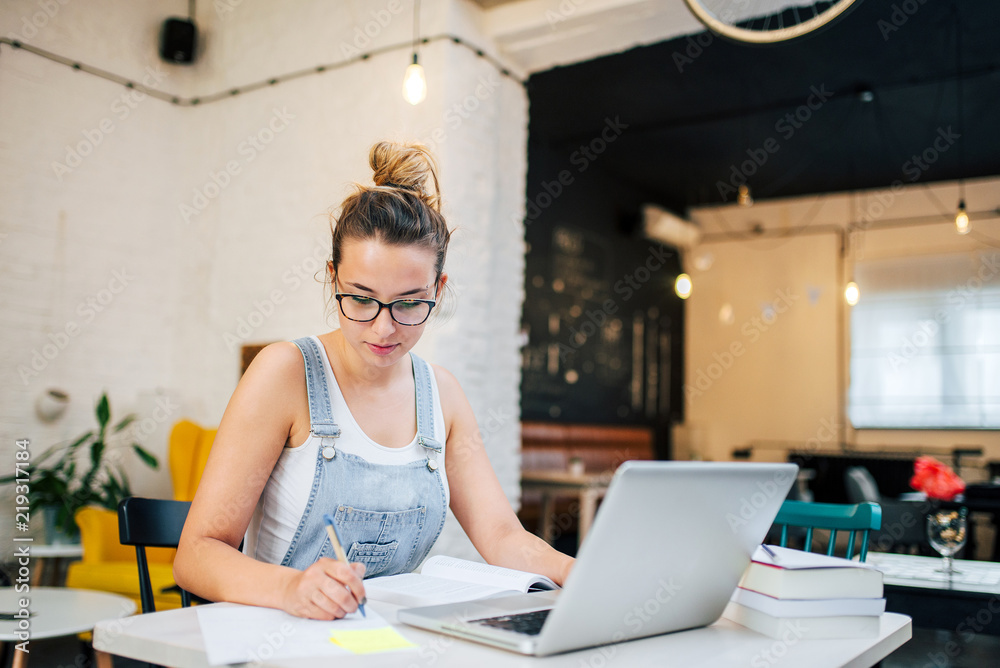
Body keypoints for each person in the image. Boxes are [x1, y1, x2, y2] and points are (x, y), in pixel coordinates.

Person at [175, 141, 574, 620]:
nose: (384, 329)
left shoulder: (441, 396)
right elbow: (197, 553)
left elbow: (502, 536)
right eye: (361, 299)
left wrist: (581, 570)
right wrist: (290, 589)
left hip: (388, 644)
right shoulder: (284, 373)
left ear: (438, 289)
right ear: (332, 277)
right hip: (281, 641)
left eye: (409, 303)